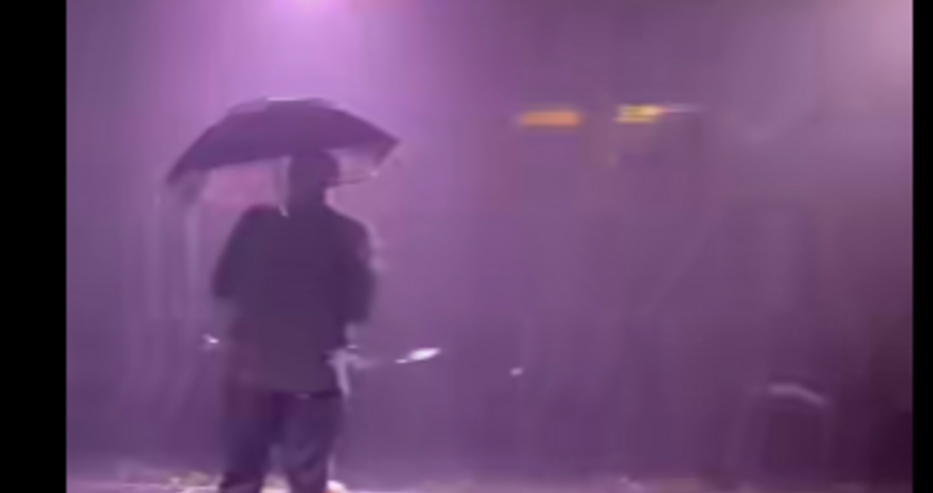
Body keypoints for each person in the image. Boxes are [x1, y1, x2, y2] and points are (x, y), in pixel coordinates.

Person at [213, 151, 375, 493]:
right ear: (330, 183)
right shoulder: (348, 233)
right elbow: (358, 307)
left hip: (250, 365)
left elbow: (222, 285)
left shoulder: (254, 224)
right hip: (314, 371)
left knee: (243, 473)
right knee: (308, 477)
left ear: (287, 179)